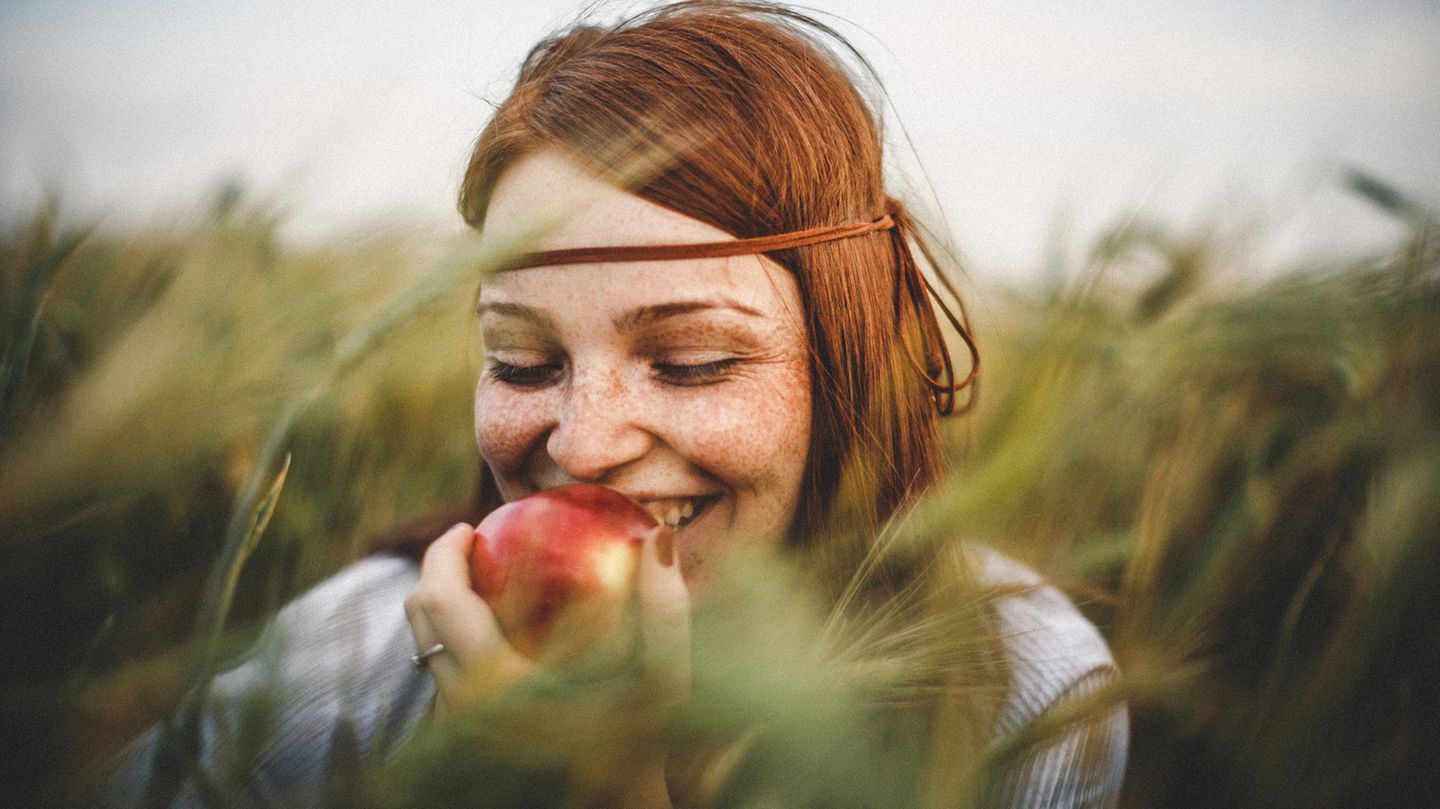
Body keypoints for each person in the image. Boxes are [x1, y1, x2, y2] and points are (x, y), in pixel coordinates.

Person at [102, 2, 1126, 807]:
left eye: (688, 361)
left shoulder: (1020, 691)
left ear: (849, 366)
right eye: (521, 358)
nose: (585, 445)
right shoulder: (343, 671)